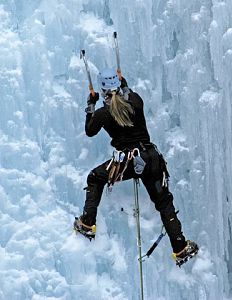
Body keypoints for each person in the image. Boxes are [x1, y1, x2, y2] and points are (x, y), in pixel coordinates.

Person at [74, 68, 198, 265]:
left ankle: (88, 223)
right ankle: (181, 248)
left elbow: (90, 130)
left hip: (128, 161)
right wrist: (123, 83)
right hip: (152, 158)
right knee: (164, 203)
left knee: (95, 177)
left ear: (103, 89)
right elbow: (128, 93)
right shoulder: (136, 100)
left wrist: (91, 103)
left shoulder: (103, 114)